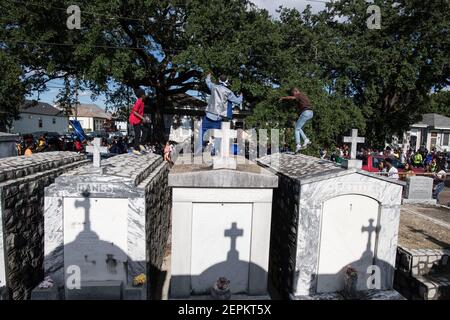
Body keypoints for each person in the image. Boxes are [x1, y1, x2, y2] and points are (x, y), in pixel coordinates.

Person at [196, 73, 243, 154]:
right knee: (219, 135)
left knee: (202, 131)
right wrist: (241, 96)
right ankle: (214, 150)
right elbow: (237, 101)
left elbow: (207, 82)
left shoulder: (213, 87)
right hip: (218, 117)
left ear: (219, 80)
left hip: (209, 115)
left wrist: (208, 76)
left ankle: (199, 149)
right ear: (227, 81)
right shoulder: (228, 92)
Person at [280, 88, 313, 152]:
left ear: (296, 91)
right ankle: (306, 140)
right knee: (298, 127)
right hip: (311, 113)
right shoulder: (304, 95)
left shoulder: (299, 94)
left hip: (306, 112)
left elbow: (292, 98)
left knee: (296, 129)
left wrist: (283, 98)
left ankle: (298, 144)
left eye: (293, 93)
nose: (294, 95)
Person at [129, 88, 147, 154]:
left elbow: (140, 112)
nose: (146, 95)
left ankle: (141, 144)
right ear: (142, 95)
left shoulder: (142, 102)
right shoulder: (139, 101)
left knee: (145, 130)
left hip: (138, 120)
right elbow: (134, 112)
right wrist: (142, 118)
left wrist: (144, 118)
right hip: (134, 120)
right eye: (144, 94)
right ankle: (135, 149)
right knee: (138, 134)